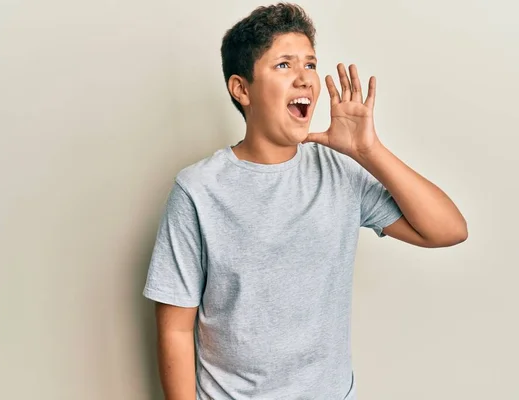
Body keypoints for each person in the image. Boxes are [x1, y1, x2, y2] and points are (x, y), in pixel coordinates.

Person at [143, 3, 468, 399]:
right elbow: (175, 327)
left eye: (310, 65)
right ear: (241, 89)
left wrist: (369, 151)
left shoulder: (340, 173)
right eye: (283, 65)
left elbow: (448, 230)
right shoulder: (198, 190)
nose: (304, 79)